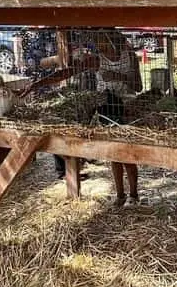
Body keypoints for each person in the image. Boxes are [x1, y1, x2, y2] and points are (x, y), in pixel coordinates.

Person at [21, 30, 143, 206]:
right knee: (113, 154)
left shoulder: (129, 57)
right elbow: (67, 73)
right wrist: (35, 85)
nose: (100, 48)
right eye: (99, 45)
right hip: (105, 107)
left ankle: (133, 194)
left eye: (103, 44)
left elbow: (138, 87)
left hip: (126, 108)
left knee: (127, 154)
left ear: (113, 42)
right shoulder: (97, 59)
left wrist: (119, 77)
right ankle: (120, 195)